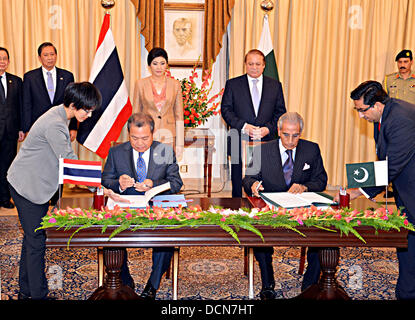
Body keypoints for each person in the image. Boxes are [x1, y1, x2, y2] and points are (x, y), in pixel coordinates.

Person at [7, 82, 109, 300]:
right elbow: (69, 162)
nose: (89, 115)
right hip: (27, 186)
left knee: (31, 239)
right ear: (73, 104)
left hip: (36, 184)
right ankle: (38, 295)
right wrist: (98, 185)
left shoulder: (60, 116)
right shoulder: (55, 124)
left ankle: (26, 291)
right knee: (36, 243)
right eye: (87, 110)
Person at [335, 80, 415, 299]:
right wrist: (358, 183)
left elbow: (392, 166)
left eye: (362, 110)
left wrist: (358, 191)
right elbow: (383, 160)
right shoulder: (382, 116)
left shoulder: (400, 120)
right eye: (356, 110)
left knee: (411, 243)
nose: (360, 116)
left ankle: (408, 293)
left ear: (378, 104)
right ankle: (407, 291)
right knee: (407, 242)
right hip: (406, 190)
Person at [242, 112, 328, 299]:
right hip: (271, 208)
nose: (290, 140)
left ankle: (310, 284)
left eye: (295, 135)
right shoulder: (262, 151)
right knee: (259, 232)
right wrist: (254, 185)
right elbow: (248, 178)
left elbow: (321, 180)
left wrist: (305, 186)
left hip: (302, 209)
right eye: (286, 134)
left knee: (325, 234)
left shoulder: (311, 149)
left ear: (301, 133)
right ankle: (268, 283)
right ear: (279, 132)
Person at [102, 112, 183, 300]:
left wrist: (153, 183)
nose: (139, 143)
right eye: (134, 138)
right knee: (107, 231)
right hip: (124, 206)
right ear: (128, 134)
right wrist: (118, 184)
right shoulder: (116, 152)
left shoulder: (165, 151)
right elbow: (106, 179)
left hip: (155, 206)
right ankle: (124, 278)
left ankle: (152, 286)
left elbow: (176, 182)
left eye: (145, 138)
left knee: (167, 234)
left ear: (153, 134)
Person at [221, 49, 286, 197]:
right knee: (238, 180)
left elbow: (280, 113)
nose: (254, 67)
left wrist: (268, 129)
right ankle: (237, 212)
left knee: (265, 179)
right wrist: (243, 126)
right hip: (239, 139)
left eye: (258, 64)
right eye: (250, 64)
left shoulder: (275, 85)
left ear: (264, 65)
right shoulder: (233, 84)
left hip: (266, 140)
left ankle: (264, 210)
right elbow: (226, 110)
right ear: (245, 64)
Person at [132, 47, 184, 160]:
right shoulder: (140, 84)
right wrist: (135, 138)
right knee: (147, 167)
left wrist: (180, 143)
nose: (159, 67)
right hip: (146, 135)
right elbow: (135, 115)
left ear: (167, 64)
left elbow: (179, 116)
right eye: (155, 63)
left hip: (169, 135)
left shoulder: (175, 85)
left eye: (162, 63)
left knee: (165, 169)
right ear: (149, 65)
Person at [22, 42, 77, 139]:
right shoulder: (30, 77)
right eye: (46, 55)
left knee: (59, 153)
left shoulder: (67, 76)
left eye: (52, 54)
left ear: (56, 56)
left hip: (61, 125)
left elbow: (72, 102)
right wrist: (26, 128)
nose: (50, 58)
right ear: (39, 58)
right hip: (37, 126)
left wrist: (73, 127)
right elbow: (26, 104)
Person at [0, 47, 23, 209]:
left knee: (8, 167)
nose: (2, 61)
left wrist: (21, 128)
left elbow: (21, 107)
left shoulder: (16, 81)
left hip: (10, 131)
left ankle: (5, 198)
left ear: (8, 61)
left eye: (4, 58)